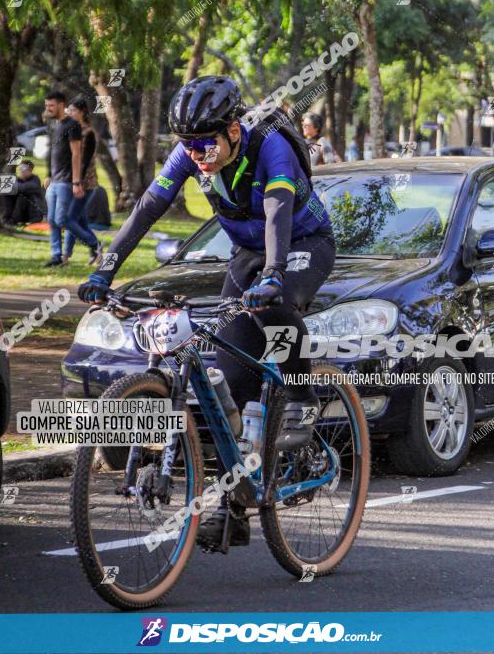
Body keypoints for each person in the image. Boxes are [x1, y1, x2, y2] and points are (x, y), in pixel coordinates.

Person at [78, 76, 336, 550]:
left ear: (234, 130)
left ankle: (302, 395)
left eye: (204, 144)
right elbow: (146, 210)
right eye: (187, 145)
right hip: (247, 254)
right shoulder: (190, 155)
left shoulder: (270, 147)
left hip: (302, 244)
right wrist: (104, 272)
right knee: (229, 383)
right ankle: (233, 509)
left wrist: (275, 273)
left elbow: (278, 211)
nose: (197, 154)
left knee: (275, 304)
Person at [43, 90, 83, 267]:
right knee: (51, 220)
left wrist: (76, 181)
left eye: (51, 105)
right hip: (54, 180)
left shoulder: (73, 125)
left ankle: (93, 243)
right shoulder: (52, 125)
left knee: (61, 220)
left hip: (67, 180)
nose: (48, 109)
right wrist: (48, 174)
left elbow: (76, 154)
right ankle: (56, 256)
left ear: (61, 105)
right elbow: (51, 152)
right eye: (46, 105)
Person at [62, 97, 104, 266]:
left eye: (74, 111)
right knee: (79, 220)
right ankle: (68, 256)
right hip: (72, 181)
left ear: (82, 113)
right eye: (69, 110)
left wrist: (77, 182)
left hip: (85, 183)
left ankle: (95, 245)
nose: (71, 114)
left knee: (70, 219)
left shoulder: (89, 133)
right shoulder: (70, 130)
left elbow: (85, 161)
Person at [1, 160, 45, 226]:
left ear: (30, 170)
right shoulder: (19, 180)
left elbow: (24, 188)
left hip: (34, 215)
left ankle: (13, 220)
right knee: (8, 194)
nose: (22, 171)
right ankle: (6, 219)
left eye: (24, 168)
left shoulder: (35, 180)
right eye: (20, 168)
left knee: (23, 194)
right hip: (23, 214)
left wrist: (10, 185)